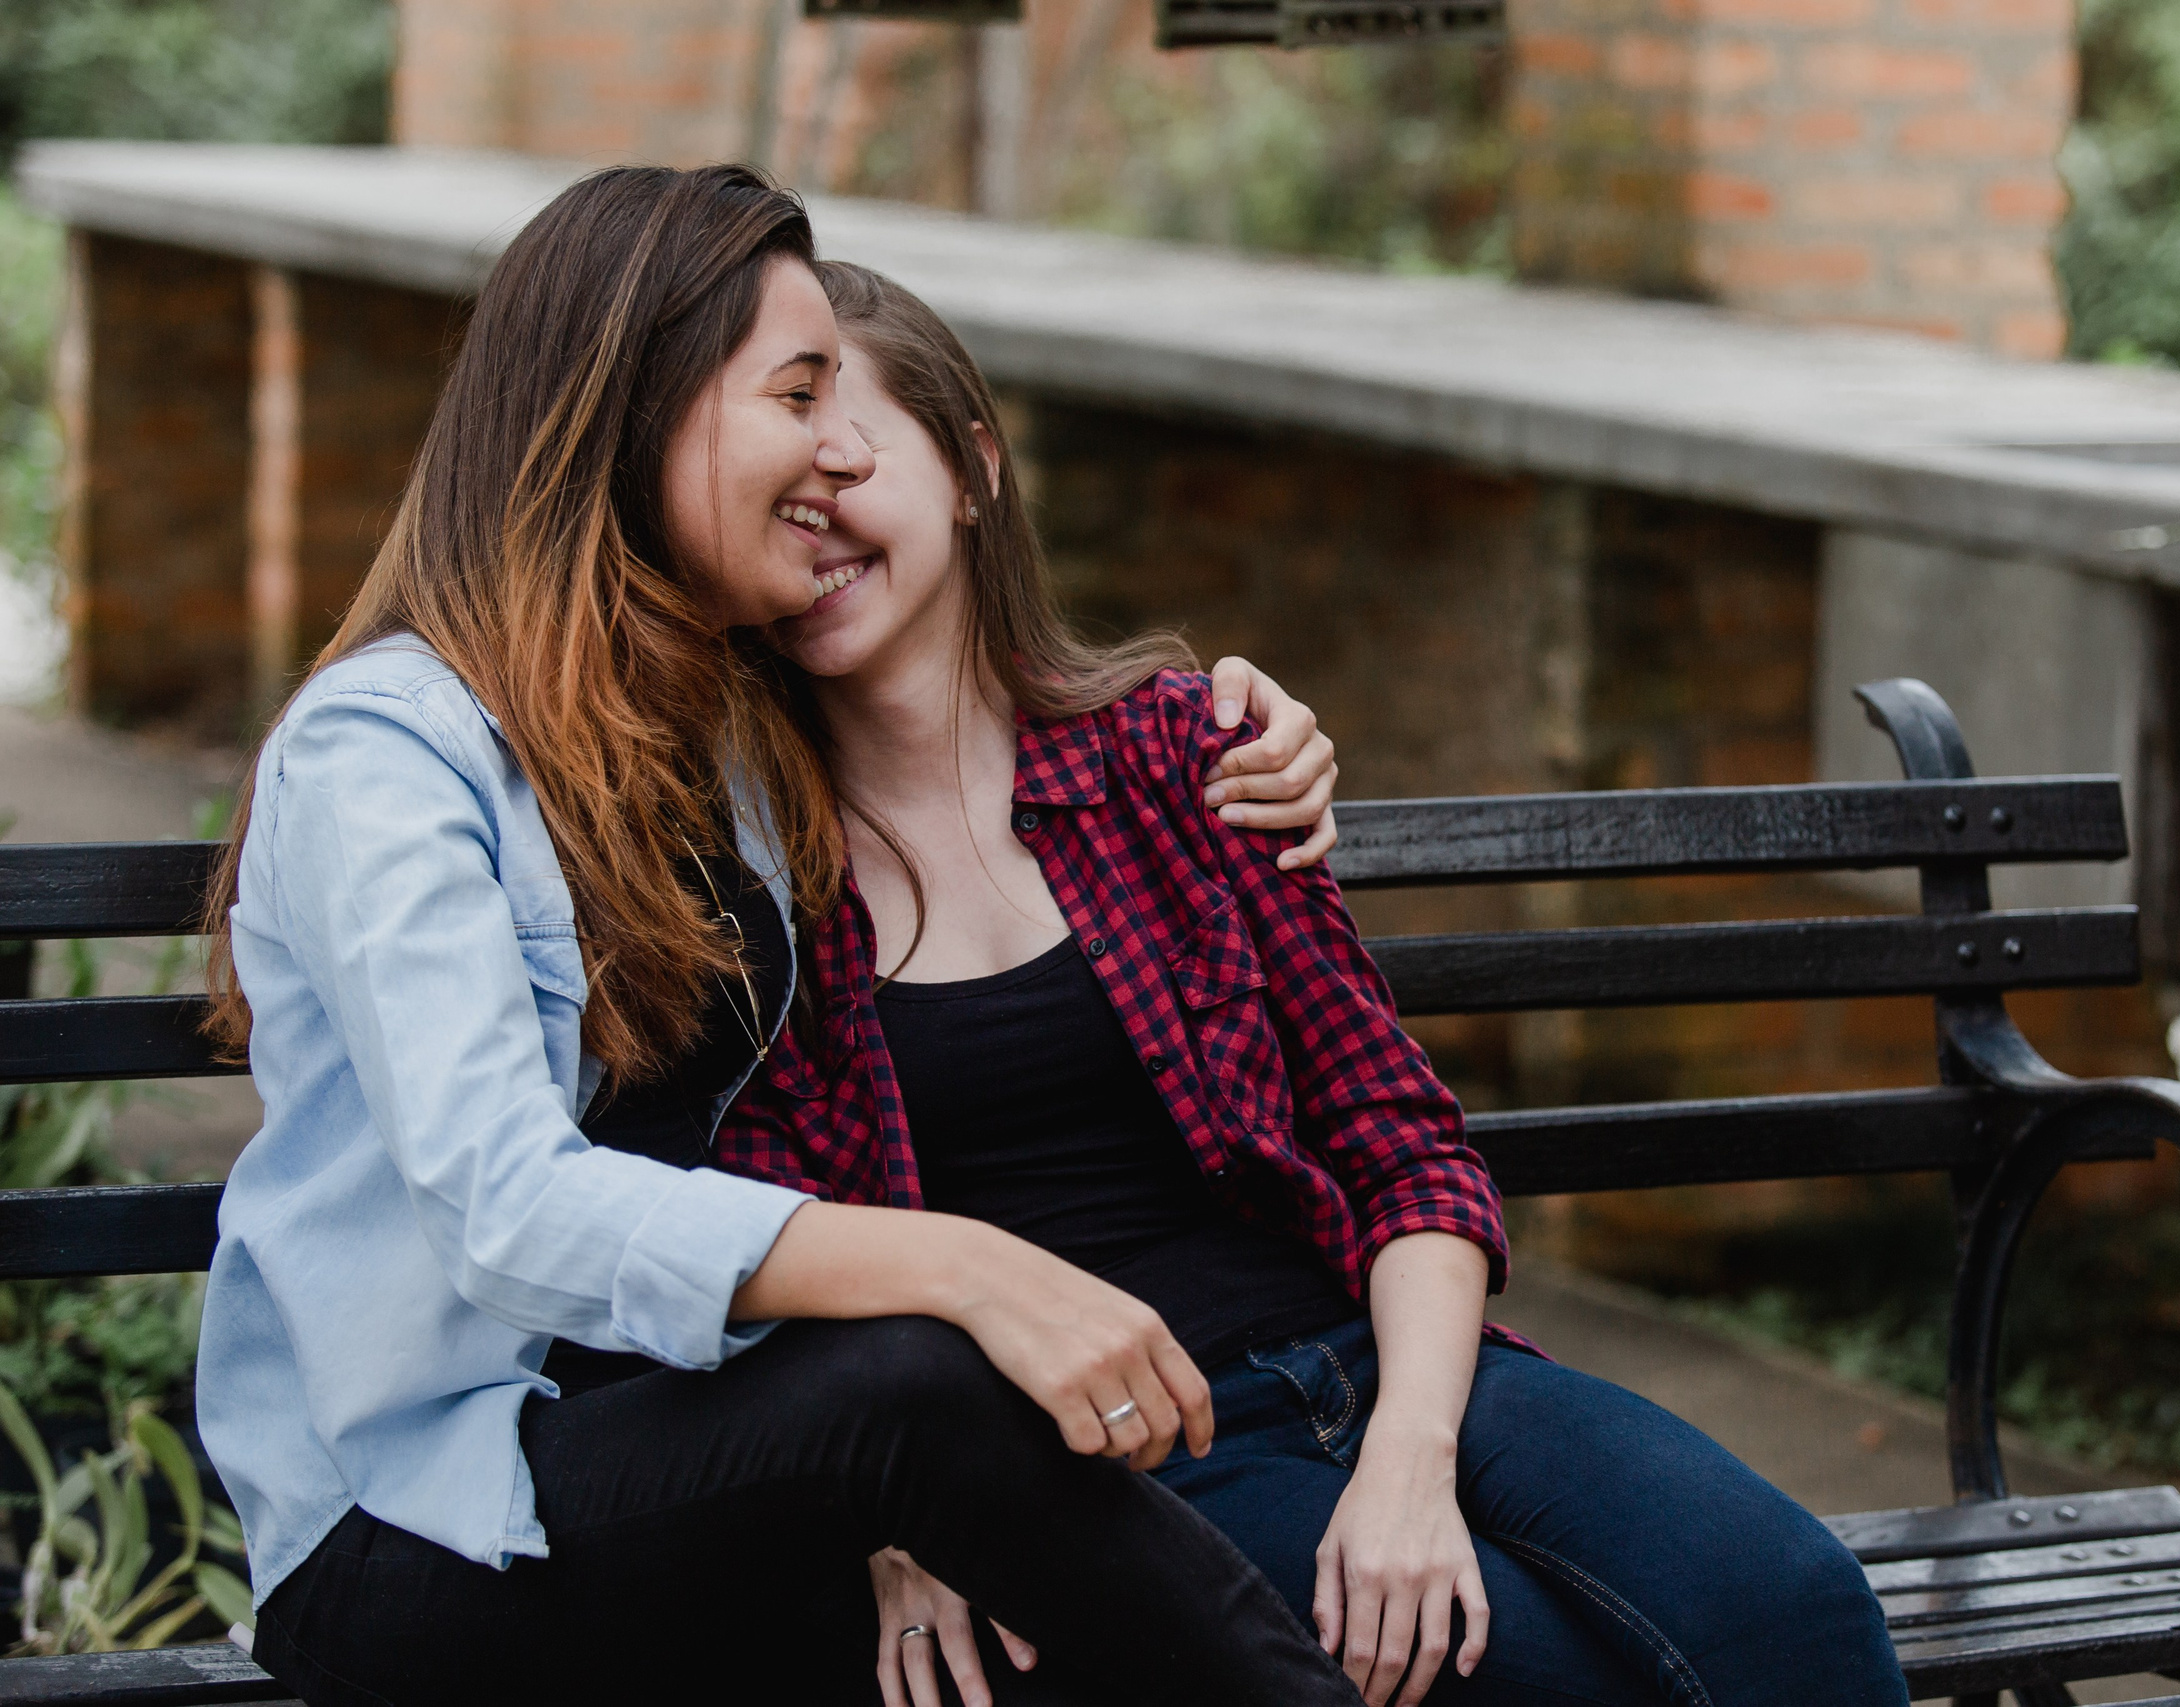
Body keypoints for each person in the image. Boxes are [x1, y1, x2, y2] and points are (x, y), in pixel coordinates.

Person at [193, 164, 1362, 1707]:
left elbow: (983, 712)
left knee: (982, 1586)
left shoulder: (728, 729)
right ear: (643, 403)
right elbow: (503, 1205)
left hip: (717, 1463)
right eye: (798, 395)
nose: (836, 449)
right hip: (430, 1524)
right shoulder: (388, 756)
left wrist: (1237, 726)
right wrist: (962, 1267)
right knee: (923, 1385)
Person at [714, 259, 1912, 1707]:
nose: (820, 519)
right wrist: (897, 1516)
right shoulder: (747, 888)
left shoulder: (1184, 757)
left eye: (852, 465)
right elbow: (762, 1266)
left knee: (1789, 1605)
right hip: (1115, 1458)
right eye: (778, 502)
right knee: (1521, 1677)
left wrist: (1412, 1453)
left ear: (972, 469)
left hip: (1380, 1358)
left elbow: (1400, 1142)